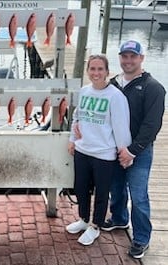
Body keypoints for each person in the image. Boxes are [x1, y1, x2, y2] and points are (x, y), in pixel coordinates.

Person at [101, 40, 166, 259]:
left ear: (141, 58)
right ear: (119, 58)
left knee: (139, 196)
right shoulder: (112, 84)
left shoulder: (153, 87)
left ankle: (141, 238)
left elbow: (152, 125)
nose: (128, 60)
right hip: (115, 148)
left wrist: (133, 150)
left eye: (133, 56)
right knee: (116, 188)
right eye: (124, 56)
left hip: (139, 151)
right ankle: (119, 218)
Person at [66, 54, 131, 246]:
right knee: (80, 187)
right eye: (92, 69)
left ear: (107, 72)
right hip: (83, 150)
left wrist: (124, 152)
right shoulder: (84, 91)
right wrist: (72, 140)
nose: (96, 73)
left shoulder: (116, 96)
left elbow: (121, 127)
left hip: (104, 154)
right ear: (88, 72)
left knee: (102, 192)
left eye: (100, 69)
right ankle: (84, 219)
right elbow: (77, 117)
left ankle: (95, 226)